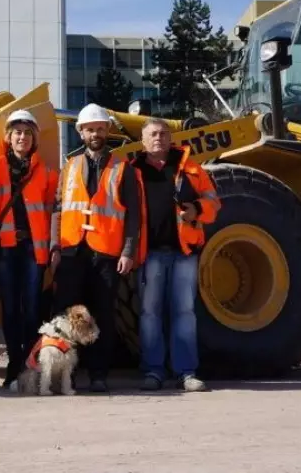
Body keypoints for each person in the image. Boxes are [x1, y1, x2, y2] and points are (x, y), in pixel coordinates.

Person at [49, 103, 142, 393]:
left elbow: (133, 215)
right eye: (90, 129)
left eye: (100, 128)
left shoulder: (122, 169)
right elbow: (57, 209)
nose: (95, 133)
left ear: (108, 131)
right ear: (81, 133)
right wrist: (54, 247)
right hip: (71, 251)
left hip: (105, 252)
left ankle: (99, 374)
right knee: (68, 316)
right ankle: (68, 374)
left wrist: (128, 251)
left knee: (102, 314)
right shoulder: (70, 167)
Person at [131, 118, 220, 392]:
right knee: (149, 314)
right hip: (150, 253)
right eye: (152, 134)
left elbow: (214, 203)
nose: (158, 138)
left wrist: (196, 209)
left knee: (184, 312)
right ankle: (154, 371)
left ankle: (186, 372)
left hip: (184, 253)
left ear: (171, 138)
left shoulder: (191, 168)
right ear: (143, 141)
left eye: (163, 134)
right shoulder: (133, 171)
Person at [0, 109, 58, 388]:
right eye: (17, 133)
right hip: (6, 249)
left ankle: (29, 366)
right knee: (10, 309)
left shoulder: (45, 171)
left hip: (34, 249)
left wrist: (54, 247)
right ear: (8, 137)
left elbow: (53, 211)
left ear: (34, 138)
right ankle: (14, 363)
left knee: (33, 309)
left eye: (27, 133)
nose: (22, 137)